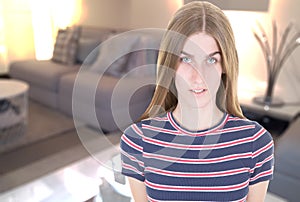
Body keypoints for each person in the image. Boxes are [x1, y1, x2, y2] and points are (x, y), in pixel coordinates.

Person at [120, 1, 274, 201]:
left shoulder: (256, 143)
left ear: (225, 65)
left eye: (211, 60)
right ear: (170, 64)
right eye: (186, 59)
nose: (198, 77)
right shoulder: (137, 141)